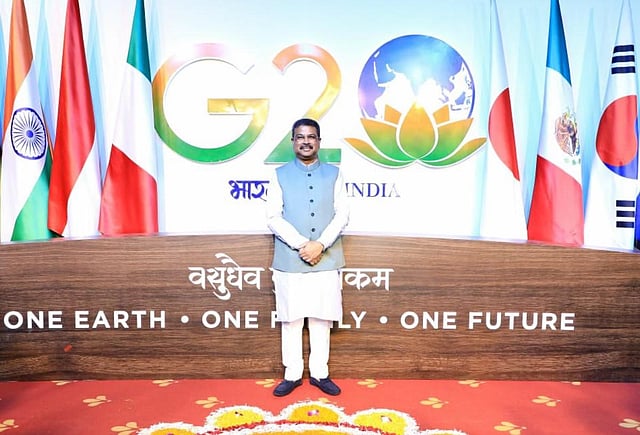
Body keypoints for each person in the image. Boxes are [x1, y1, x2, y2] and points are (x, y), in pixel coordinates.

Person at [266, 118, 349, 397]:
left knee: (321, 318)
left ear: (319, 141)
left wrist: (321, 245)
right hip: (290, 258)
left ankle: (320, 373)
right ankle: (291, 374)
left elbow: (343, 214)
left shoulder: (334, 174)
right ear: (293, 141)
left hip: (326, 257)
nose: (305, 141)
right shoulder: (279, 175)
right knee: (291, 319)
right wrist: (303, 245)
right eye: (300, 137)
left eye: (311, 137)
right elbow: (273, 217)